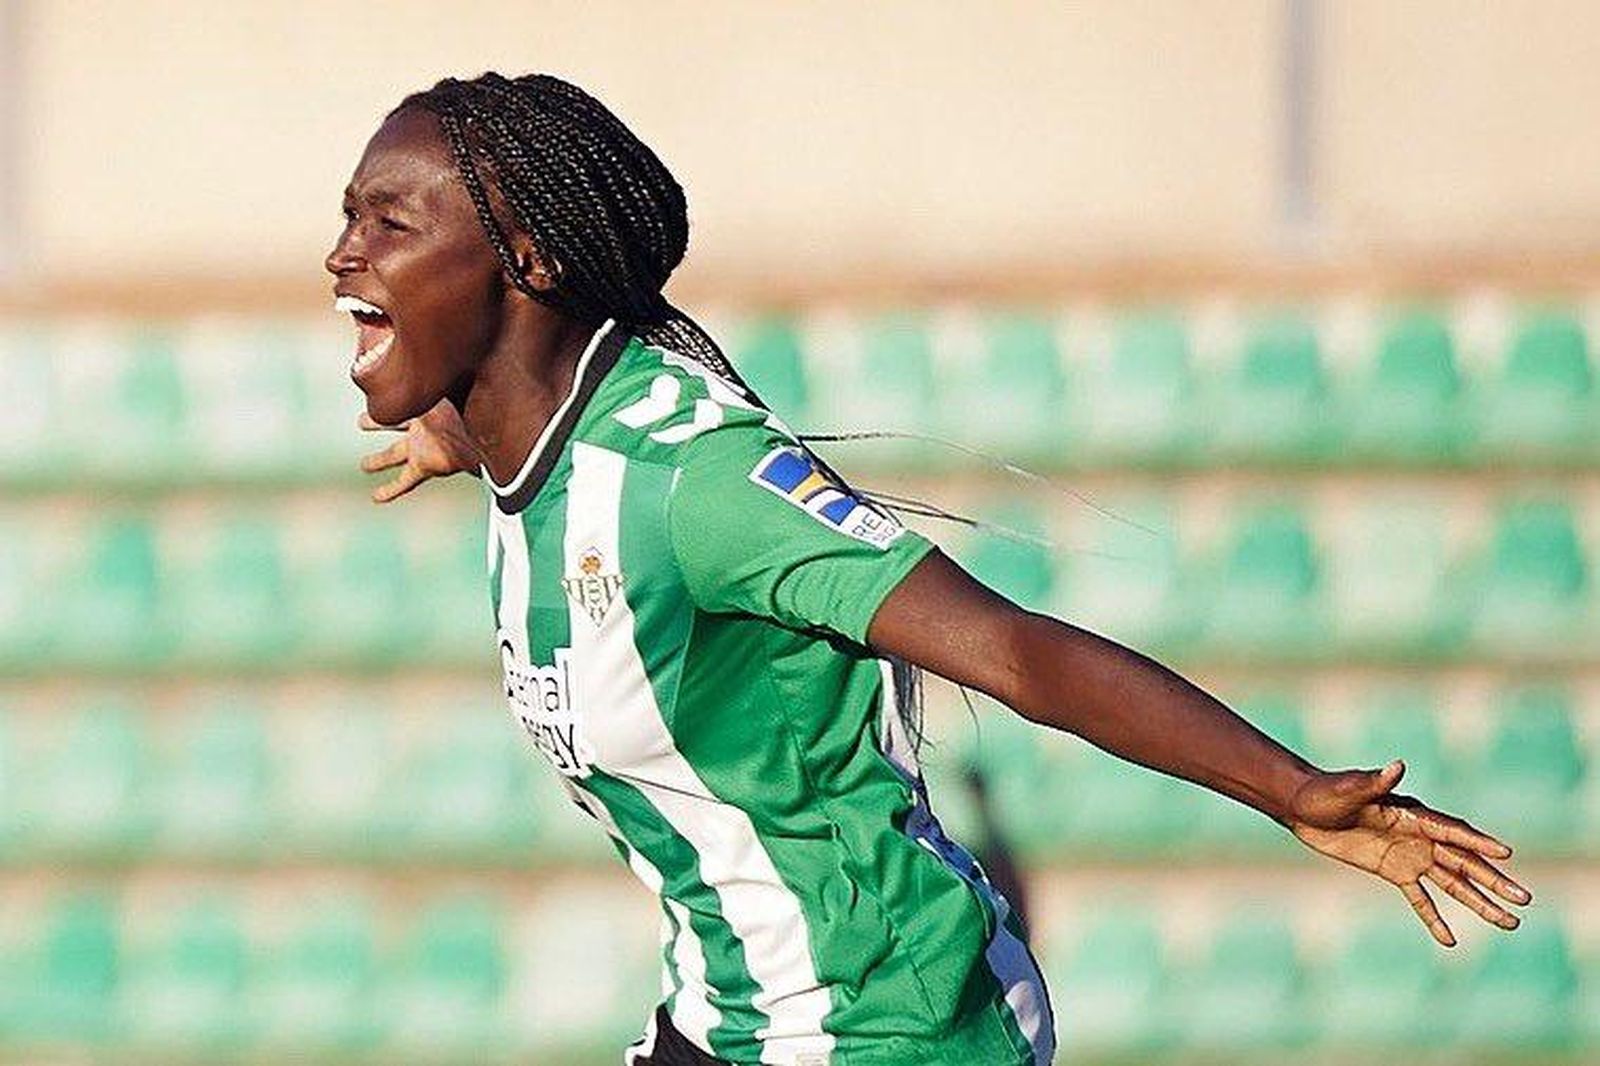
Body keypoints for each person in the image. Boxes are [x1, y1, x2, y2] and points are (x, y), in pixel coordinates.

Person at [328, 72, 1531, 1066]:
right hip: (730, 1014)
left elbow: (1016, 652)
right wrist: (464, 428)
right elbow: (558, 447)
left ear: (528, 260)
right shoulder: (545, 443)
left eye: (389, 223)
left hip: (893, 1029)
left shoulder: (694, 484)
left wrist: (1288, 788)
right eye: (348, 218)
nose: (341, 256)